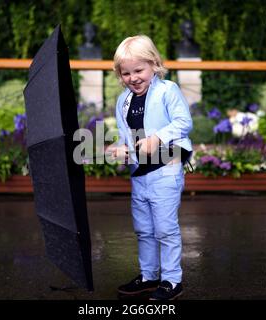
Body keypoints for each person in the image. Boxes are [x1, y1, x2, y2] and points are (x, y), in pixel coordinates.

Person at [107, 35, 193, 300]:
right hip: (139, 174)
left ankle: (171, 280)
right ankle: (148, 276)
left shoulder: (168, 91)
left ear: (154, 64)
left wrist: (158, 137)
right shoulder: (123, 101)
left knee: (165, 229)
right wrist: (120, 150)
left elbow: (183, 121)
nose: (133, 77)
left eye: (138, 70)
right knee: (143, 229)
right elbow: (128, 137)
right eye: (126, 73)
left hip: (166, 169)